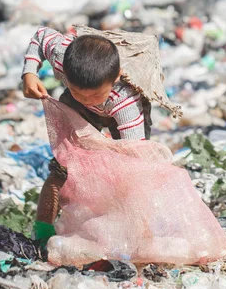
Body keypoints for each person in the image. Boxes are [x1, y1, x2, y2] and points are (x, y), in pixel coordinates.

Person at [21, 26, 152, 244]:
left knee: (128, 179)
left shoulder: (126, 102)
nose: (88, 99)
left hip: (116, 110)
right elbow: (41, 36)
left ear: (116, 77)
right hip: (75, 110)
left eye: (95, 95)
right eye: (79, 92)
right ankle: (42, 234)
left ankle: (131, 233)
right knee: (62, 170)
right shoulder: (62, 55)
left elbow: (134, 158)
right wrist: (29, 73)